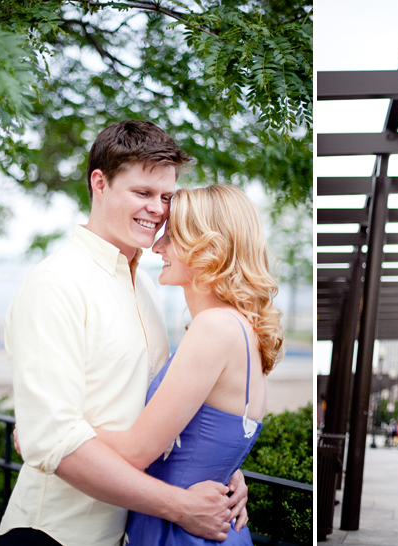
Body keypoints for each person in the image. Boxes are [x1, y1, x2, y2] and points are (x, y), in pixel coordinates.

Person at [0, 121, 248, 546]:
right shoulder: (55, 284)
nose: (157, 209)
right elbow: (55, 440)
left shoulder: (145, 286)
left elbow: (158, 407)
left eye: (166, 197)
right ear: (100, 183)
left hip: (130, 532)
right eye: (143, 193)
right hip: (57, 534)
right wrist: (180, 506)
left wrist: (221, 467)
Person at [95, 184, 284, 544]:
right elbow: (215, 438)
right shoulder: (242, 329)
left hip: (181, 532)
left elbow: (137, 450)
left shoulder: (215, 327)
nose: (157, 246)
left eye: (173, 236)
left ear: (208, 247)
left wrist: (51, 432)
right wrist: (229, 471)